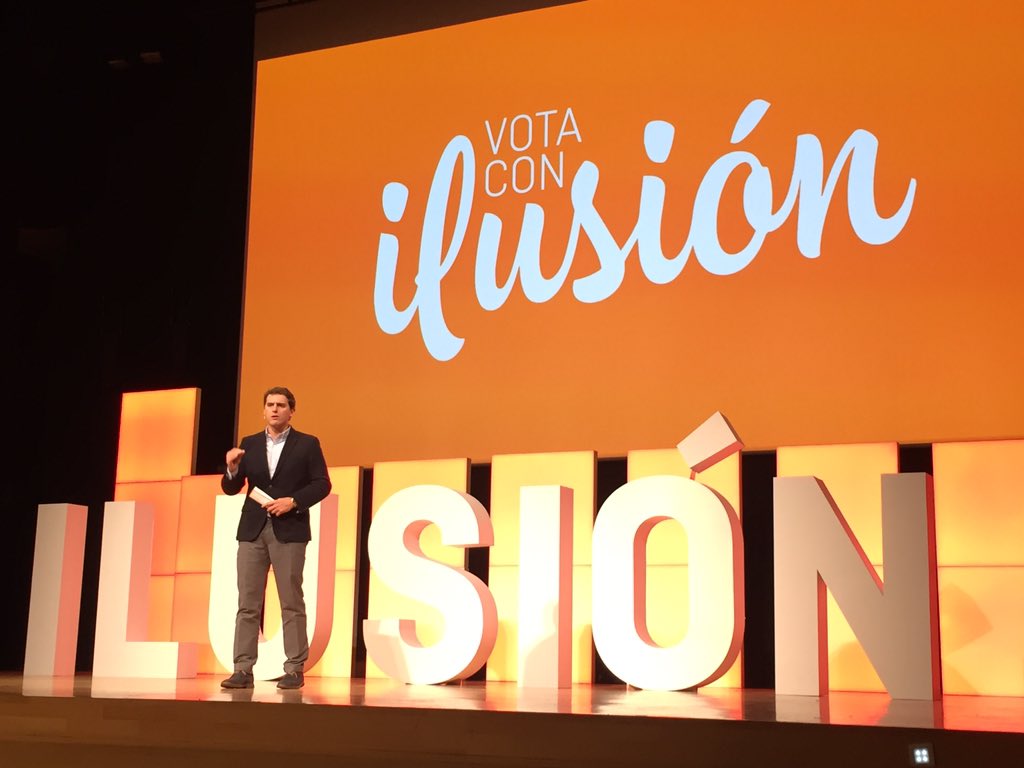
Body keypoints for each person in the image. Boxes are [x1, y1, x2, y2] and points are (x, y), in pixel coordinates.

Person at [220, 386, 331, 690]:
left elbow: (322, 484)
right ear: (264, 410)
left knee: (291, 601)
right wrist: (232, 470)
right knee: (248, 603)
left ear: (291, 411)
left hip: (289, 529)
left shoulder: (307, 444)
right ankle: (242, 669)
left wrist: (293, 501)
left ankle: (294, 668)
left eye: (281, 405)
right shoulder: (250, 444)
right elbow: (231, 489)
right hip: (252, 530)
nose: (275, 409)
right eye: (270, 404)